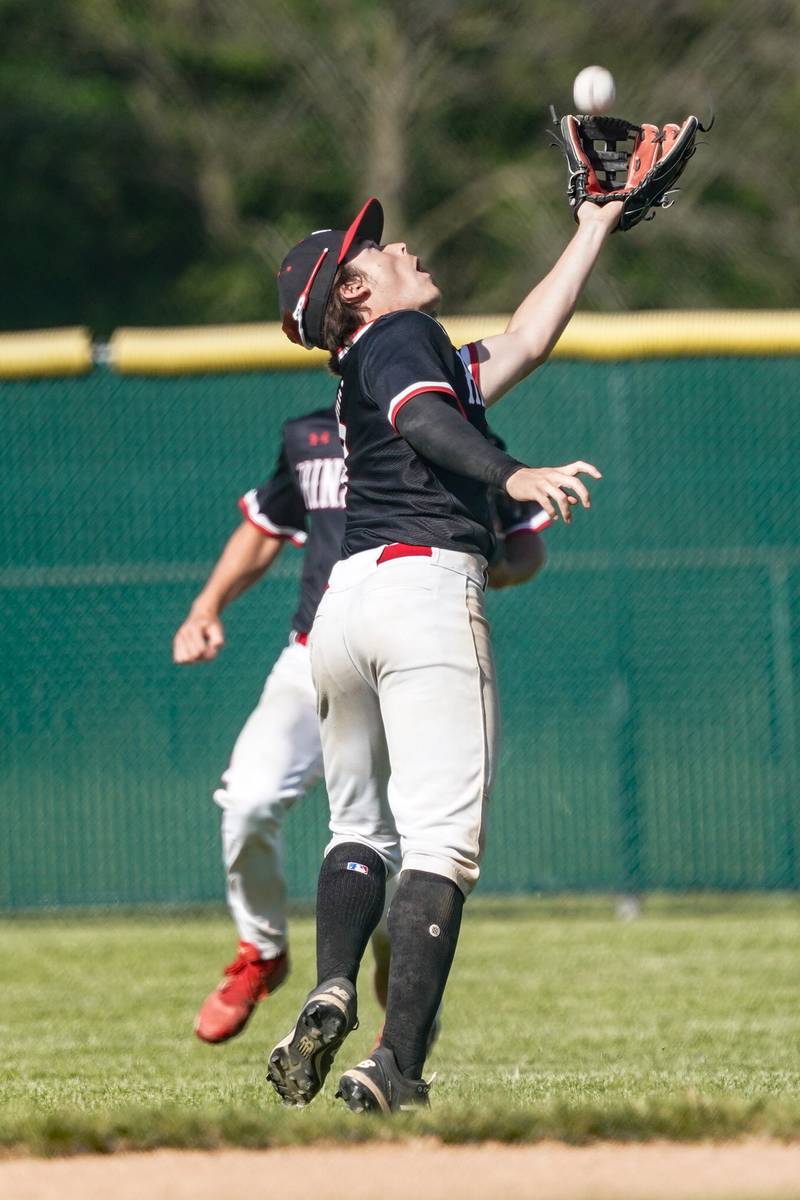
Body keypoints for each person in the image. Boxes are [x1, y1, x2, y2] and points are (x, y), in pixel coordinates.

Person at [266, 195, 620, 1113]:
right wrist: (513, 476)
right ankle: (395, 1067)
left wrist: (592, 224)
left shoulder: (376, 354)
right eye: (375, 250)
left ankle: (335, 982)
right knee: (442, 845)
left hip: (344, 609)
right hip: (423, 593)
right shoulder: (401, 339)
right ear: (354, 288)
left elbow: (525, 340)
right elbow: (428, 420)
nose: (400, 245)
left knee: (359, 830)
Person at [172, 406, 547, 1045]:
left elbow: (523, 547)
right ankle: (262, 952)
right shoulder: (310, 434)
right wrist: (205, 605)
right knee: (248, 799)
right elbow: (265, 528)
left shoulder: (453, 428)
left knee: (397, 845)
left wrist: (465, 570)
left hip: (418, 647)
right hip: (314, 650)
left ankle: (393, 1014)